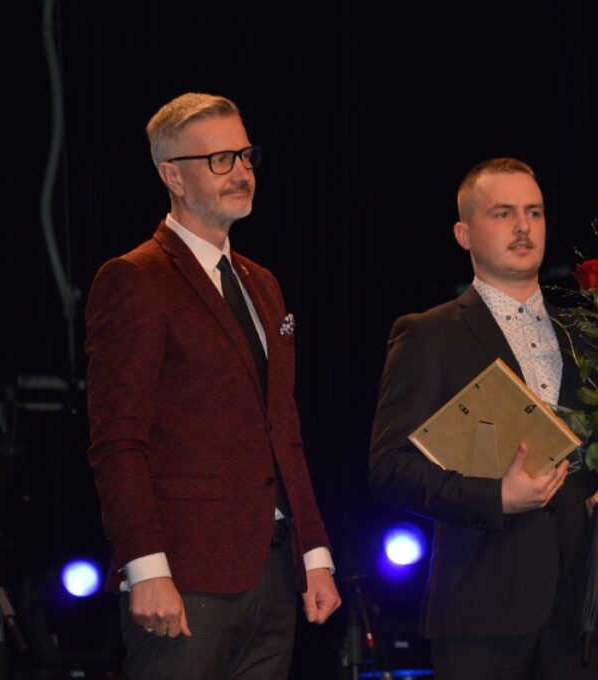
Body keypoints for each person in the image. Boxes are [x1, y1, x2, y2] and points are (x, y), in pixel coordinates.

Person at [85, 92, 340, 679]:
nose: (242, 172)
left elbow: (284, 429)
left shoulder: (260, 282)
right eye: (220, 160)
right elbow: (117, 441)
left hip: (272, 572)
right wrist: (146, 568)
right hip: (187, 574)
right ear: (172, 175)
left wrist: (314, 553)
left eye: (246, 156)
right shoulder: (136, 278)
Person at [369, 158, 598, 679]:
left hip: (585, 613)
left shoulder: (591, 335)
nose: (523, 227)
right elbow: (390, 468)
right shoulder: (429, 334)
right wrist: (495, 497)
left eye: (534, 212)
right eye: (503, 213)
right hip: (483, 612)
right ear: (464, 234)